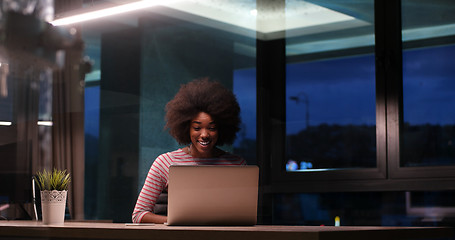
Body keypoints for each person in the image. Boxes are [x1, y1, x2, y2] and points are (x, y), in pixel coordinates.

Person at [132, 78, 246, 223]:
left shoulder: (237, 164)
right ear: (186, 128)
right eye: (197, 128)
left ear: (221, 129)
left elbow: (243, 215)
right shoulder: (165, 162)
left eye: (211, 128)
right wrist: (174, 222)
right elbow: (139, 215)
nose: (204, 135)